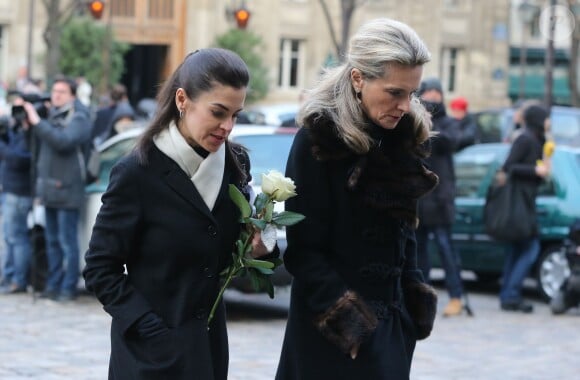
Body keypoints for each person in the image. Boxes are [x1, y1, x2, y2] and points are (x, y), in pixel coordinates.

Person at [82, 48, 270, 380]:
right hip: (148, 357)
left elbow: (229, 255)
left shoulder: (236, 164)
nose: (227, 126)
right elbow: (100, 268)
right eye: (218, 112)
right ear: (183, 100)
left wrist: (259, 246)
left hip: (208, 352)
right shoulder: (138, 172)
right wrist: (151, 328)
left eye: (236, 115)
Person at [275, 18, 439, 380]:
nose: (404, 105)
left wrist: (412, 307)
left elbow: (405, 233)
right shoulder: (319, 140)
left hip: (393, 331)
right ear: (358, 79)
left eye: (412, 94)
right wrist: (351, 326)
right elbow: (304, 251)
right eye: (395, 92)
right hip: (332, 336)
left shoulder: (404, 137)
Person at [21, 76, 92, 301]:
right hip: (49, 189)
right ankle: (53, 285)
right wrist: (28, 125)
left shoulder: (79, 117)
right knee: (51, 241)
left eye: (62, 92)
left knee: (67, 242)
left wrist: (38, 122)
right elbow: (34, 146)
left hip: (68, 190)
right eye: (54, 91)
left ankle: (67, 288)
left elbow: (64, 141)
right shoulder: (51, 116)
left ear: (72, 95)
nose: (56, 95)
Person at [416, 77, 466, 317]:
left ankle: (456, 297)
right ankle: (422, 297)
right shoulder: (413, 121)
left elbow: (450, 142)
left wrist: (428, 125)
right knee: (420, 251)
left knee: (447, 249)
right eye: (429, 93)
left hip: (441, 198)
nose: (433, 98)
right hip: (419, 197)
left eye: (437, 93)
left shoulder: (447, 123)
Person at [499, 104, 550, 313]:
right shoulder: (525, 139)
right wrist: (534, 170)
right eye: (547, 119)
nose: (549, 123)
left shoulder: (537, 139)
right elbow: (509, 166)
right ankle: (510, 294)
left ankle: (508, 295)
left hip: (527, 200)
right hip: (519, 201)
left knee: (519, 248)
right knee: (530, 248)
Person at [0, 97, 34, 294]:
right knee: (10, 237)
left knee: (17, 237)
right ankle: (10, 275)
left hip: (19, 192)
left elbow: (19, 160)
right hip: (11, 189)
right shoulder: (18, 131)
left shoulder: (29, 134)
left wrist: (3, 147)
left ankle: (18, 280)